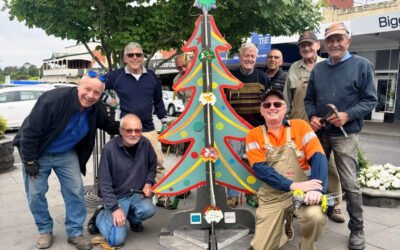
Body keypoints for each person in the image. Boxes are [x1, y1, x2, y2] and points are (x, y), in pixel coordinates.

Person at [13, 72, 120, 250]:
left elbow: (108, 125)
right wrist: (30, 161)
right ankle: (45, 230)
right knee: (36, 194)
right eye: (87, 89)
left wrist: (129, 127)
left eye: (96, 93)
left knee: (75, 191)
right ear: (79, 85)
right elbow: (30, 133)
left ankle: (75, 232)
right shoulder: (52, 100)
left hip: (65, 153)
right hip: (38, 152)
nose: (90, 95)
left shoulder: (96, 107)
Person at [304, 22, 378, 250]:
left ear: (348, 41)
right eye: (331, 40)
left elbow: (371, 100)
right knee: (315, 178)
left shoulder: (362, 65)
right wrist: (313, 116)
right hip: (321, 133)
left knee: (349, 184)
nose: (335, 43)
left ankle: (357, 230)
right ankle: (312, 219)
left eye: (339, 39)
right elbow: (309, 100)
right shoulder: (319, 69)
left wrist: (348, 115)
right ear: (324, 43)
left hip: (346, 134)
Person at [246, 89, 328, 250]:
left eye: (277, 104)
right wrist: (292, 185)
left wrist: (318, 189)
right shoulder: (253, 135)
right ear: (262, 111)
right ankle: (283, 229)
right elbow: (261, 169)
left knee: (315, 217)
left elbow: (318, 156)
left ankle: (307, 246)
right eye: (267, 105)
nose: (272, 107)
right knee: (261, 247)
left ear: (285, 108)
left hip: (301, 193)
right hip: (272, 196)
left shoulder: (301, 126)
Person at [104, 42, 175, 209]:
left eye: (138, 55)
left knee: (157, 162)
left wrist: (164, 121)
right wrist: (109, 101)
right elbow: (96, 85)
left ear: (143, 57)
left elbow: (158, 101)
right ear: (125, 58)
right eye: (131, 55)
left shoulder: (152, 77)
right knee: (126, 166)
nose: (135, 58)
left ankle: (163, 196)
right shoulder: (116, 76)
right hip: (126, 130)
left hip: (148, 128)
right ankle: (126, 197)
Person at [284, 31, 345, 223]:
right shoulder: (294, 68)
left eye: (310, 44)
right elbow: (287, 97)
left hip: (324, 126)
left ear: (318, 45)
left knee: (330, 165)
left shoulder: (328, 66)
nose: (306, 48)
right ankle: (297, 201)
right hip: (299, 125)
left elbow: (337, 96)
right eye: (302, 45)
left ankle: (334, 205)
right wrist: (285, 121)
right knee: (297, 164)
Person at [89, 114, 156, 248]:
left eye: (137, 130)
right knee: (117, 240)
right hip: (117, 197)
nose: (133, 134)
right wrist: (114, 208)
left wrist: (148, 183)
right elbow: (105, 184)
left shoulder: (145, 143)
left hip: (136, 194)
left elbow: (152, 168)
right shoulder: (109, 149)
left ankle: (132, 218)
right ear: (120, 131)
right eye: (129, 130)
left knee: (149, 209)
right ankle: (99, 216)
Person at [227, 42, 269, 208]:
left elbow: (267, 105)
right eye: (246, 55)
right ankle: (232, 196)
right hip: (234, 129)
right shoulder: (231, 78)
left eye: (252, 56)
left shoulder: (262, 77)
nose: (249, 59)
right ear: (240, 56)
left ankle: (254, 193)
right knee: (233, 163)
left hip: (256, 129)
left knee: (256, 163)